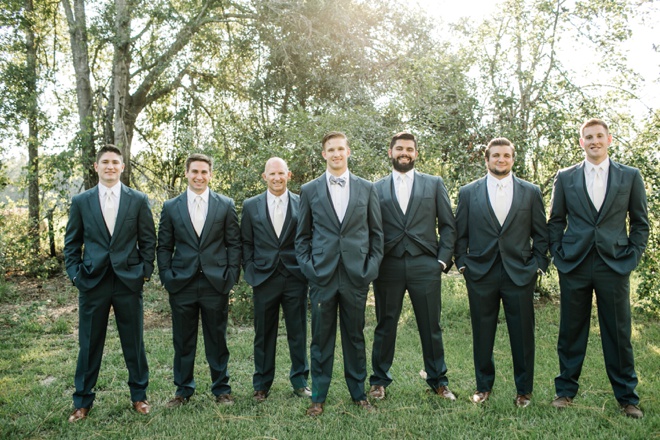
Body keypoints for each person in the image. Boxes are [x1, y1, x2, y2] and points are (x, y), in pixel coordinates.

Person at [548, 118, 648, 419]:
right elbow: (555, 221)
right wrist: (560, 255)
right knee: (570, 330)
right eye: (588, 137)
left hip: (614, 264)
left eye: (599, 136)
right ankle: (565, 392)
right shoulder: (565, 177)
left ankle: (627, 398)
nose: (594, 141)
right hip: (575, 264)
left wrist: (630, 257)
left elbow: (640, 223)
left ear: (609, 139)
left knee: (617, 332)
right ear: (581, 142)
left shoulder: (630, 176)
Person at [64, 145, 156, 422]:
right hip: (93, 282)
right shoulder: (81, 201)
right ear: (96, 167)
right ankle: (82, 401)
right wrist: (76, 275)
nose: (110, 167)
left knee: (134, 343)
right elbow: (71, 244)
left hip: (129, 281)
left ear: (122, 166)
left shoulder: (138, 199)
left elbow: (148, 240)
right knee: (89, 343)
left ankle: (139, 397)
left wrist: (145, 272)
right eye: (105, 162)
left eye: (115, 162)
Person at [454, 137, 549, 407]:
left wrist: (538, 266)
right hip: (480, 273)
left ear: (513, 158)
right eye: (496, 155)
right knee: (482, 333)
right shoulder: (468, 192)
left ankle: (524, 390)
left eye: (506, 155)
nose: (501, 160)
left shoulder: (530, 192)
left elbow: (541, 234)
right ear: (487, 159)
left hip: (519, 273)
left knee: (522, 333)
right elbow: (460, 234)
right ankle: (483, 386)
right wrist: (462, 263)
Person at [296, 131, 384, 416]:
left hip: (356, 275)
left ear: (348, 152)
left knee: (355, 336)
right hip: (322, 275)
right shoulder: (309, 190)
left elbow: (376, 234)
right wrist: (310, 269)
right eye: (330, 149)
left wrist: (369, 269)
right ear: (324, 154)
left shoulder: (367, 188)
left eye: (340, 149)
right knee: (320, 338)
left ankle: (358, 394)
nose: (336, 154)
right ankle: (318, 397)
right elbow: (302, 237)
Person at [368, 132, 457, 401]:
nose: (404, 152)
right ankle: (379, 381)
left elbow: (449, 226)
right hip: (388, 267)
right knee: (385, 324)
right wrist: (374, 261)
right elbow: (370, 228)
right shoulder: (376, 188)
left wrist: (441, 261)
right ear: (390, 152)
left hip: (425, 265)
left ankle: (438, 381)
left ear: (416, 153)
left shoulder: (433, 183)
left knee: (431, 325)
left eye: (409, 149)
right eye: (399, 148)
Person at [157, 153, 241, 408]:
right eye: (194, 171)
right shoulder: (171, 207)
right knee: (183, 340)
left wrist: (231, 276)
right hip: (182, 283)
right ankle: (183, 391)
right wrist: (167, 276)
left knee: (217, 339)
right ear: (187, 173)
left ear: (211, 174)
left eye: (204, 172)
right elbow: (164, 246)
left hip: (216, 283)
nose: (199, 176)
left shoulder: (224, 204)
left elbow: (234, 244)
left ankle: (222, 389)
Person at [241, 157, 311, 402]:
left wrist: (305, 267)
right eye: (272, 174)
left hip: (295, 277)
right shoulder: (251, 206)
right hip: (264, 278)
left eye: (281, 173)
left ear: (289, 175)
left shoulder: (302, 203)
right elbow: (246, 243)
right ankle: (261, 385)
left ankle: (300, 382)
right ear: (264, 177)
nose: (277, 178)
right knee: (263, 334)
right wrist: (250, 271)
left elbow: (307, 239)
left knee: (298, 332)